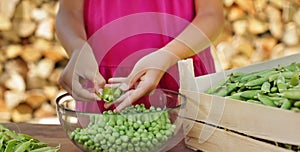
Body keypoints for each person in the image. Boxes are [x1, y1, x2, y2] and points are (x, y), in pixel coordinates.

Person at [55, 0, 224, 112]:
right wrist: (77, 49)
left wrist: (169, 55)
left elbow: (211, 15)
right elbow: (69, 13)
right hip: (102, 83)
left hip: (181, 75)